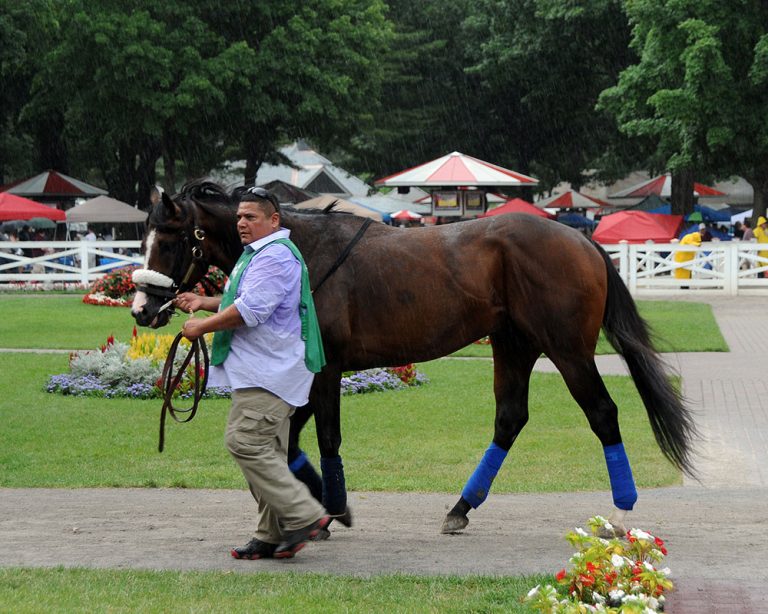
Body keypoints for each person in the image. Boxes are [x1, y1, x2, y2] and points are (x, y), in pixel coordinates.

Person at [176, 187, 329, 560]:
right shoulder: (262, 254)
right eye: (239, 217)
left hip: (268, 374)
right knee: (269, 454)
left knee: (244, 442)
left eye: (250, 217)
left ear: (273, 220)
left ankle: (305, 515)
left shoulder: (273, 256)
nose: (241, 223)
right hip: (264, 371)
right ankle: (270, 534)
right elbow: (249, 300)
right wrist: (206, 301)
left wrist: (202, 325)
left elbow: (251, 311)